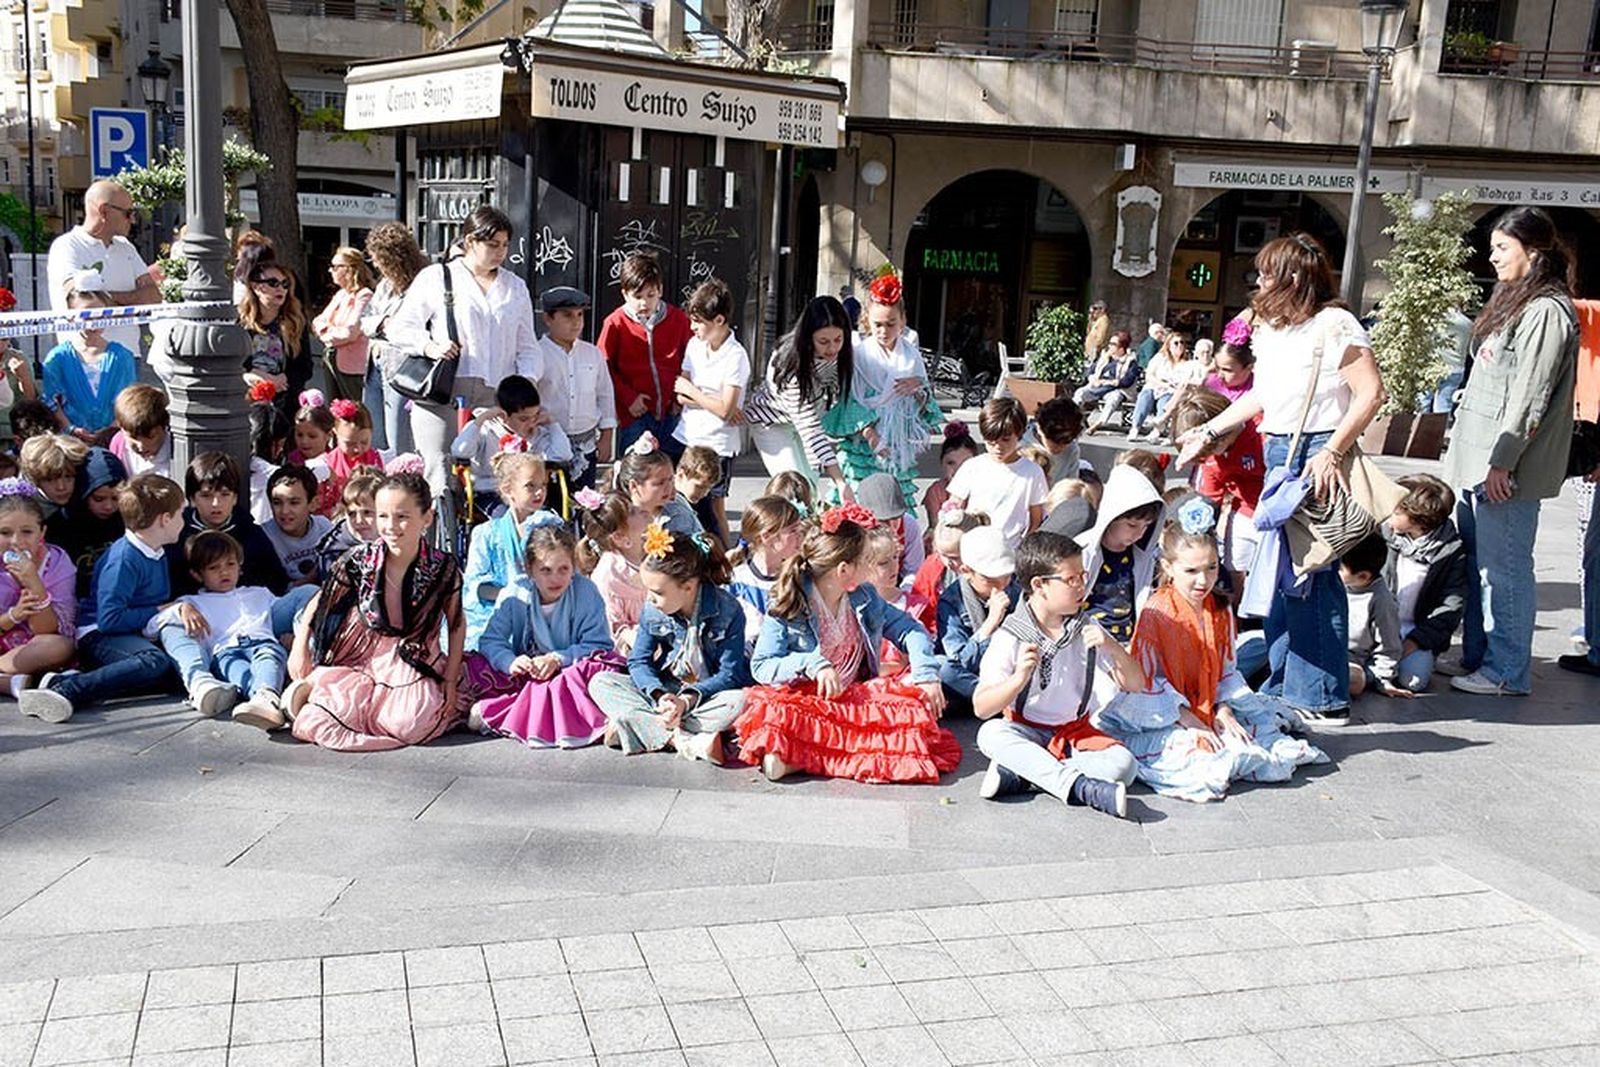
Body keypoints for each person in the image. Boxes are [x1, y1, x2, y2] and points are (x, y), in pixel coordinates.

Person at [1176, 233, 1388, 725]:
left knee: (1311, 577)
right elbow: (1263, 397)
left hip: (1315, 451)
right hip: (1282, 450)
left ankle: (1322, 695)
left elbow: (1370, 393)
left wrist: (1332, 452)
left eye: (1268, 272)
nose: (1260, 280)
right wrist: (1210, 428)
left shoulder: (1335, 324)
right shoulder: (1272, 330)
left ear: (1293, 277)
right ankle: (1288, 683)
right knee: (1282, 577)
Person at [1099, 500, 1328, 803]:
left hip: (1208, 703)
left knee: (1257, 742)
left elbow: (1226, 671)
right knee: (1202, 760)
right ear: (1168, 567)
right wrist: (1185, 717)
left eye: (1211, 568)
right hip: (1162, 712)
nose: (1203, 580)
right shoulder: (1157, 612)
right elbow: (1146, 681)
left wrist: (1224, 709)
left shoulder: (1219, 607)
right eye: (1191, 570)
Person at [1443, 207, 1578, 697]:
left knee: (1505, 570)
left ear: (1533, 251)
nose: (1493, 256)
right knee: (1482, 565)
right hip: (1480, 462)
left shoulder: (1545, 311)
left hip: (1503, 468)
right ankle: (1483, 657)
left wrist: (1503, 460)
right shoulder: (1517, 301)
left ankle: (1506, 672)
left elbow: (1531, 395)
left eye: (1503, 247)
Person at [738, 503, 957, 784]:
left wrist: (926, 673)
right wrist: (812, 664)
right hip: (809, 701)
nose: (873, 566)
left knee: (912, 712)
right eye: (867, 559)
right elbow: (762, 666)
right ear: (844, 569)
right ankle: (810, 754)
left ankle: (798, 758)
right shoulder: (788, 601)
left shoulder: (864, 596)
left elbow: (910, 630)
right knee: (774, 712)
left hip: (856, 697)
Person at [284, 472, 465, 750]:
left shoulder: (443, 567)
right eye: (383, 516)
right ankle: (309, 693)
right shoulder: (358, 560)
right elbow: (321, 602)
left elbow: (455, 623)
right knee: (321, 719)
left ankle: (329, 696)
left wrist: (451, 681)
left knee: (411, 725)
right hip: (362, 656)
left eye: (402, 516)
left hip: (413, 654)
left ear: (426, 518)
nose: (391, 526)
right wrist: (300, 648)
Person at [21, 475, 223, 723]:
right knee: (153, 661)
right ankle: (67, 690)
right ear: (165, 519)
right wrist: (162, 609)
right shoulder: (124, 560)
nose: (183, 522)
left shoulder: (156, 549)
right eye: (181, 514)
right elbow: (109, 619)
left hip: (130, 634)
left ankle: (66, 678)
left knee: (172, 672)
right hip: (97, 635)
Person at [972, 531, 1139, 817]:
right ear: (1040, 585)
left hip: (1074, 733)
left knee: (1125, 765)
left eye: (1082, 576)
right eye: (1071, 579)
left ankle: (1024, 776)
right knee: (990, 734)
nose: (1081, 586)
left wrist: (1114, 648)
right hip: (1024, 730)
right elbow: (981, 708)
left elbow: (1136, 683)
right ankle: (1083, 789)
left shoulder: (1086, 629)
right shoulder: (1012, 635)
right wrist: (1017, 679)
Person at [388, 205, 542, 498]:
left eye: (505, 245)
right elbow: (400, 327)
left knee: (498, 472)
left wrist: (526, 385)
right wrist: (430, 346)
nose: (500, 252)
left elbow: (528, 346)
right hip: (444, 390)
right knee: (439, 471)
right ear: (470, 241)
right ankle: (439, 534)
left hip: (497, 392)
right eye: (492, 244)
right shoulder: (438, 277)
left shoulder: (515, 287)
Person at [588, 520, 749, 762]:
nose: (650, 599)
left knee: (742, 702)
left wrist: (686, 701)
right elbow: (639, 661)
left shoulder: (727, 610)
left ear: (688, 587)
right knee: (601, 682)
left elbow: (730, 674)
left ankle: (638, 726)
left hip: (705, 695)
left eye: (658, 593)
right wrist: (659, 695)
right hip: (667, 690)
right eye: (648, 590)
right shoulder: (653, 610)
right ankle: (683, 740)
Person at [464, 521, 620, 747]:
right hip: (529, 671)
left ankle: (499, 713)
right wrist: (511, 662)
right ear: (530, 569)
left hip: (570, 671)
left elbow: (599, 645)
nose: (555, 578)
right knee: (472, 666)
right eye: (545, 570)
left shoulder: (585, 592)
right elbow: (491, 640)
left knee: (594, 672)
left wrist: (557, 659)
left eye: (563, 569)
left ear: (573, 566)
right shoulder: (515, 593)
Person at [823, 272, 942, 508]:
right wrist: (871, 435)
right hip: (863, 445)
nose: (884, 331)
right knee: (860, 503)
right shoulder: (859, 355)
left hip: (897, 445)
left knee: (893, 507)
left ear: (902, 322)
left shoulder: (912, 356)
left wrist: (918, 387)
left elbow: (923, 406)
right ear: (867, 320)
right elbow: (849, 401)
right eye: (878, 324)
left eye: (891, 324)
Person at [149, 531, 287, 729]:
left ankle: (266, 696)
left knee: (267, 659)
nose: (224, 572)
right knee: (239, 673)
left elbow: (284, 612)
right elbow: (151, 627)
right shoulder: (192, 602)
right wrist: (180, 609)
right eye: (214, 568)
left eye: (230, 565)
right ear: (197, 574)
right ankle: (266, 702)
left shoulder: (259, 593)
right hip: (225, 652)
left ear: (240, 567)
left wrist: (290, 632)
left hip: (262, 642)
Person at [743, 296, 857, 502]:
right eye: (823, 341)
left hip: (805, 422)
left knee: (811, 488)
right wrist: (840, 482)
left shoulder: (844, 355)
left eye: (838, 340)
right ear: (807, 337)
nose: (832, 348)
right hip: (771, 422)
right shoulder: (788, 365)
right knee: (794, 489)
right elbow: (810, 428)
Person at [46, 180, 158, 358]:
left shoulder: (126, 247)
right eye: (128, 213)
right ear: (104, 210)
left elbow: (153, 297)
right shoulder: (67, 246)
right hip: (84, 358)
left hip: (128, 355)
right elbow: (80, 303)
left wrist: (106, 298)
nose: (133, 220)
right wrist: (131, 300)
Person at [673, 278, 749, 541]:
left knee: (713, 507)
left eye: (698, 322)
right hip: (688, 435)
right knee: (683, 500)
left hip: (718, 443)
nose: (693, 328)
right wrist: (713, 402)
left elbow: (725, 410)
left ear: (718, 320)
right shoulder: (695, 345)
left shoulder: (736, 356)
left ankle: (723, 561)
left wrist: (696, 393)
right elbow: (680, 391)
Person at [597, 253, 692, 457]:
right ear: (625, 294)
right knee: (637, 471)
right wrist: (628, 398)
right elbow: (604, 367)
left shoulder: (678, 319)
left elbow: (691, 359)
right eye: (637, 296)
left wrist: (679, 397)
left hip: (672, 412)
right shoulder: (615, 323)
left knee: (672, 472)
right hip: (636, 415)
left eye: (651, 295)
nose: (644, 303)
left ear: (660, 291)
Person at [461, 452, 557, 650]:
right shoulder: (486, 533)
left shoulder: (552, 527)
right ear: (508, 489)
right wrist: (512, 595)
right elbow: (474, 585)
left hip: (545, 610)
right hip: (497, 611)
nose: (539, 492)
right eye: (530, 486)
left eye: (543, 485)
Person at [1381, 474, 1467, 693]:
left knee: (1414, 682)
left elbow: (1451, 606)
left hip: (1414, 632)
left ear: (1419, 520)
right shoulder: (1383, 533)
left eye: (1397, 512)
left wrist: (1416, 642)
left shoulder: (1451, 551)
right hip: (1377, 627)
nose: (1389, 515)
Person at [1170, 387, 1264, 587]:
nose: (1206, 459)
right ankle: (1238, 614)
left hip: (1275, 512)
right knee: (1235, 569)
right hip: (1244, 511)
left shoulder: (1260, 435)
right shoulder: (1211, 458)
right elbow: (1211, 498)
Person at [169, 452, 290, 598]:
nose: (216, 504)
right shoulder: (176, 535)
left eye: (225, 495)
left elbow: (276, 581)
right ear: (193, 499)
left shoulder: (251, 533)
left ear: (235, 498)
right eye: (206, 496)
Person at [0, 480, 77, 698]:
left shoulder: (57, 562)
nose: (16, 542)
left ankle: (7, 677)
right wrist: (13, 616)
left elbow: (48, 631)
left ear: (41, 531)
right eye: (5, 532)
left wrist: (33, 581)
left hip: (32, 645)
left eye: (27, 532)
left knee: (60, 646)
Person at [452, 376, 574, 511]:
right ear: (503, 415)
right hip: (490, 492)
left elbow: (563, 455)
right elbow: (460, 451)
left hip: (529, 494)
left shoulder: (538, 433)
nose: (531, 422)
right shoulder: (486, 430)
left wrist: (552, 424)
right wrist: (481, 419)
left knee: (545, 520)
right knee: (504, 517)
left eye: (535, 416)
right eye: (524, 419)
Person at [43, 270, 138, 442]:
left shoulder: (122, 356)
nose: (93, 322)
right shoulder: (57, 358)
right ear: (71, 316)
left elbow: (130, 400)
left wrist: (110, 429)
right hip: (70, 441)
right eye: (86, 315)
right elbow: (51, 399)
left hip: (114, 438)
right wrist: (70, 428)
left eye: (100, 314)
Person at [536, 286, 615, 492]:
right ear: (548, 319)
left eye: (580, 315)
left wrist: (606, 437)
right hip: (548, 445)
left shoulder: (592, 354)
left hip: (585, 444)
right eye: (567, 316)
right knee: (550, 502)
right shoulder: (536, 354)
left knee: (584, 503)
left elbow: (605, 395)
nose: (576, 322)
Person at [1076, 463, 1164, 646]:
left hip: (1128, 644)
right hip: (1088, 641)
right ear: (1112, 516)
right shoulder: (1082, 551)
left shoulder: (1144, 557)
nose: (1140, 533)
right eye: (1132, 525)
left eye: (1146, 526)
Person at [937, 525, 1021, 714]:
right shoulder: (951, 601)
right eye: (991, 580)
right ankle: (1000, 702)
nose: (1001, 585)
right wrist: (990, 624)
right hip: (975, 679)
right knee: (942, 668)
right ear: (967, 571)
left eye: (1006, 577)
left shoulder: (1016, 587)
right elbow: (959, 660)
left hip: (1012, 669)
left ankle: (1011, 699)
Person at [945, 398, 1049, 549]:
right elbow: (954, 504)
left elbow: (1036, 517)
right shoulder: (973, 466)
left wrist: (1025, 545)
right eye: (991, 442)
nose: (998, 447)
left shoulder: (1032, 472)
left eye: (1006, 440)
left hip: (1010, 550)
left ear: (1019, 434)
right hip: (973, 546)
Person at [361, 223, 429, 453]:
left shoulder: (424, 281)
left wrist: (388, 325)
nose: (377, 265)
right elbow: (366, 320)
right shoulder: (385, 285)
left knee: (398, 439)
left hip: (404, 368)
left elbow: (407, 327)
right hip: (375, 364)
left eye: (378, 259)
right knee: (373, 436)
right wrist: (384, 323)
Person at [49, 447, 125, 605]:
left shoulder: (127, 520)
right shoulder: (59, 526)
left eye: (116, 498)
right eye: (99, 499)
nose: (109, 506)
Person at [576, 489, 648, 655]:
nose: (639, 508)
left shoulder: (654, 547)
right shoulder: (608, 575)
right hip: (633, 647)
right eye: (631, 512)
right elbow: (614, 628)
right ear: (620, 537)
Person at [728, 495, 805, 645]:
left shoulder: (800, 578)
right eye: (793, 531)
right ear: (766, 536)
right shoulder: (735, 582)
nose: (800, 536)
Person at [239, 257, 311, 411]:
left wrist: (282, 379)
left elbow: (305, 367)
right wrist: (251, 375)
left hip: (284, 399)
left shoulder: (296, 321)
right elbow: (229, 365)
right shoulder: (239, 322)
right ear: (256, 287)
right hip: (247, 397)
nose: (281, 289)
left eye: (285, 284)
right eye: (273, 283)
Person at [312, 247, 375, 404]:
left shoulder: (365, 296)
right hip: (331, 361)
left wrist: (326, 333)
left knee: (355, 411)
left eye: (335, 266)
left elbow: (350, 333)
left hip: (353, 368)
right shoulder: (341, 295)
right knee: (336, 410)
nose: (330, 270)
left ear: (349, 270)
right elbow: (317, 321)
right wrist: (327, 331)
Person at [262, 466, 334, 586]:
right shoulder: (263, 537)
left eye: (294, 503)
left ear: (313, 504)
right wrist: (309, 579)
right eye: (277, 503)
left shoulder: (324, 528)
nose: (285, 511)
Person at [614, 436, 701, 534]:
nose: (669, 488)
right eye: (660, 483)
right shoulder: (616, 518)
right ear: (634, 486)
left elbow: (701, 543)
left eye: (671, 480)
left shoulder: (679, 512)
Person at [316, 469, 383, 581]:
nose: (359, 521)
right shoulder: (336, 552)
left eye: (367, 512)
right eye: (352, 514)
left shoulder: (394, 539)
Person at [1128, 330, 1194, 442]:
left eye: (1182, 342)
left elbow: (1185, 382)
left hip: (1171, 391)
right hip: (1155, 386)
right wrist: (1162, 383)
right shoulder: (1160, 358)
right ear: (1168, 345)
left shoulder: (1187, 364)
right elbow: (1149, 375)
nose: (1179, 345)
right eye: (1176, 343)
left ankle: (1157, 429)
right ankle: (1135, 427)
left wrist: (1169, 387)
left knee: (1165, 402)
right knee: (1145, 397)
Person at [920, 422, 979, 539]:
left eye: (966, 464)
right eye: (951, 463)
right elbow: (936, 527)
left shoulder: (984, 488)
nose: (959, 469)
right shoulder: (936, 491)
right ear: (942, 463)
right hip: (945, 542)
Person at [325, 400, 386, 505]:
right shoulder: (328, 463)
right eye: (350, 444)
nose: (357, 449)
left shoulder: (380, 459)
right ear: (335, 433)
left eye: (364, 442)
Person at [1079, 332, 1141, 433]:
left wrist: (1108, 382)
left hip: (1117, 389)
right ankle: (1071, 417)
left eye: (1113, 344)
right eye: (1110, 343)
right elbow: (1090, 371)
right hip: (1097, 387)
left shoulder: (1130, 361)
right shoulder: (1105, 358)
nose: (1110, 346)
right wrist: (1093, 379)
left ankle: (1099, 423)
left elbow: (1127, 381)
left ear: (1122, 348)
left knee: (1114, 398)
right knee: (1080, 392)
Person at [108, 384, 171, 478]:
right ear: (120, 427)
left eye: (151, 437)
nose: (141, 446)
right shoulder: (119, 445)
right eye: (133, 437)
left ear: (164, 426)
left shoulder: (175, 448)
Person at [1026, 396, 1087, 488]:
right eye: (1054, 441)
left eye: (1066, 442)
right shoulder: (1021, 445)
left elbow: (1070, 487)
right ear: (1039, 428)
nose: (1060, 447)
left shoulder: (1072, 450)